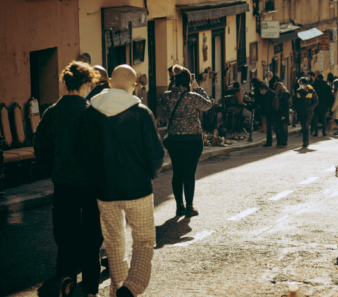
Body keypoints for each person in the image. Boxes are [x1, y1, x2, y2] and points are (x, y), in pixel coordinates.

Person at [75, 65, 165, 297]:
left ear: (111, 82)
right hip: (138, 189)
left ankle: (117, 290)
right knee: (144, 241)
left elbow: (82, 153)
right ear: (134, 86)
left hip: (104, 189)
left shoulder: (90, 112)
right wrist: (150, 174)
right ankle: (131, 287)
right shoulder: (141, 112)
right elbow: (155, 154)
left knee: (113, 243)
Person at [35, 62, 104, 297]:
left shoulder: (52, 113)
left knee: (65, 236)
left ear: (65, 83)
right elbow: (103, 149)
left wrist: (53, 169)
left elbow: (41, 149)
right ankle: (91, 290)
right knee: (91, 237)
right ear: (87, 84)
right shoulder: (92, 112)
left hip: (64, 184)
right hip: (92, 185)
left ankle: (66, 280)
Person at [160, 67, 213, 216]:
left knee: (177, 172)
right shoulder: (192, 96)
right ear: (188, 81)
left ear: (175, 81)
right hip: (193, 139)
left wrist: (173, 87)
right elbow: (208, 105)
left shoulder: (167, 96)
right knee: (189, 173)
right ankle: (189, 206)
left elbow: (163, 104)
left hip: (174, 139)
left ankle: (179, 206)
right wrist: (198, 88)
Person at [293, 77, 319, 147]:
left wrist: (310, 107)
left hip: (309, 112)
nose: (300, 85)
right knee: (303, 126)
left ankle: (306, 141)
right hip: (300, 112)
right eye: (299, 84)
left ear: (305, 84)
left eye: (301, 84)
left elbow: (316, 101)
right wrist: (296, 107)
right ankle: (304, 140)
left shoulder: (312, 91)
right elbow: (295, 100)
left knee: (306, 125)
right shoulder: (298, 91)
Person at [274, 82, 291, 147]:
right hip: (278, 113)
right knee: (278, 128)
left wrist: (283, 115)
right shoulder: (278, 94)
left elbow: (286, 106)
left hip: (283, 114)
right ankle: (279, 142)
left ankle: (283, 143)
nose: (276, 89)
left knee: (283, 129)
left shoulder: (284, 95)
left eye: (277, 88)